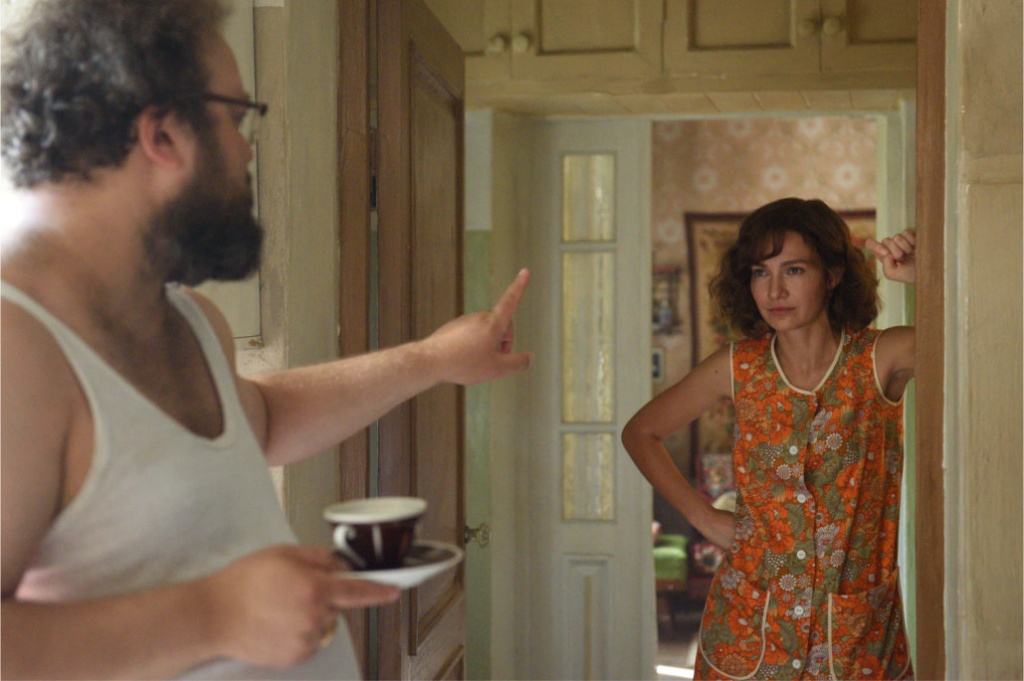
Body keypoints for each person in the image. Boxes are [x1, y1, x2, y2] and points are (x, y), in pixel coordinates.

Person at [0, 1, 534, 679]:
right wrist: (212, 615)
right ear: (162, 134)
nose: (247, 148)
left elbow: (264, 421)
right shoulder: (16, 346)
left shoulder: (186, 318)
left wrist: (431, 358)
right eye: (237, 117)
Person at [622, 198, 916, 680]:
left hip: (855, 640)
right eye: (761, 272)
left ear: (833, 274)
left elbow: (977, 339)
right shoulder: (737, 366)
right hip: (748, 630)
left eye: (794, 270)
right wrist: (703, 518)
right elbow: (641, 432)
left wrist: (925, 281)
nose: (774, 290)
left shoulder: (881, 357)